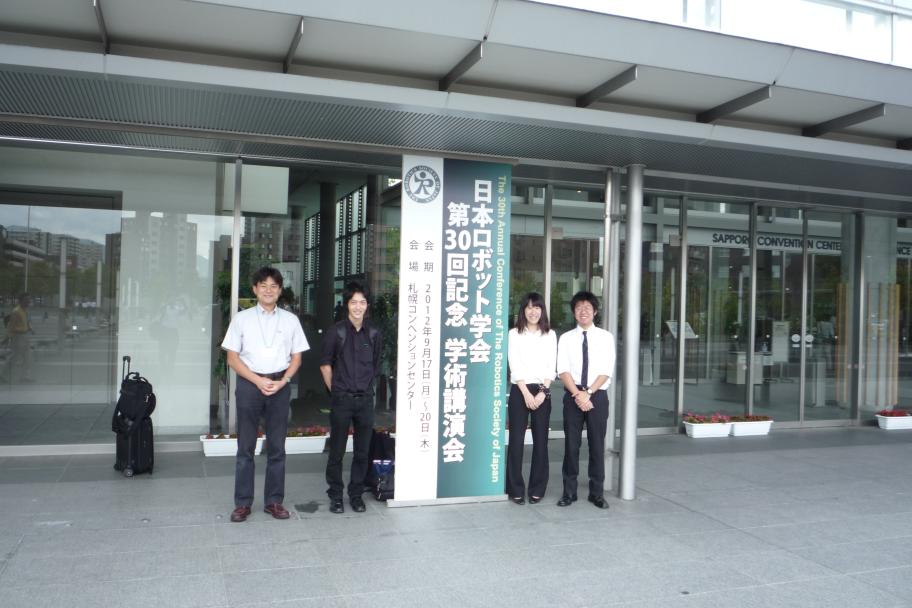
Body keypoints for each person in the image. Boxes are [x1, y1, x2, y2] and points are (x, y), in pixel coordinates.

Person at [221, 267, 308, 523]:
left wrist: (283, 382)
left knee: (277, 447)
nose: (268, 290)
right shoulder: (241, 319)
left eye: (273, 286)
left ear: (280, 291)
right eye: (263, 285)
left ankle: (274, 501)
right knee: (245, 447)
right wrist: (258, 380)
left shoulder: (290, 320)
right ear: (255, 289)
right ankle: (242, 503)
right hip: (250, 385)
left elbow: (297, 358)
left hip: (280, 386)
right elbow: (232, 359)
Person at [320, 282, 382, 514]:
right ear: (347, 304)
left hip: (365, 400)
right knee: (336, 451)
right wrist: (336, 391)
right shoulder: (336, 332)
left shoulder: (374, 334)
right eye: (354, 302)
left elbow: (375, 365)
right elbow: (325, 365)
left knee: (362, 452)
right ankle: (335, 495)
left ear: (367, 305)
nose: (358, 307)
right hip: (342, 399)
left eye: (362, 302)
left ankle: (356, 495)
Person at [556, 290, 616, 510]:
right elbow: (562, 370)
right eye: (579, 307)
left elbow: (606, 370)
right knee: (571, 445)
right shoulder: (566, 338)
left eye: (588, 308)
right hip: (573, 395)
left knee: (597, 445)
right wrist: (578, 394)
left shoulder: (606, 337)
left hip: (596, 396)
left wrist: (588, 393)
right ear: (574, 312)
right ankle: (569, 492)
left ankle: (596, 493)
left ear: (595, 312)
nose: (583, 311)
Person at [506, 292, 557, 505]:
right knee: (516, 441)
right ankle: (515, 488)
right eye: (528, 307)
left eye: (537, 307)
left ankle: (537, 488)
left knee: (541, 442)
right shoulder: (514, 334)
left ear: (542, 310)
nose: (533, 311)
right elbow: (514, 364)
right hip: (520, 390)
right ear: (523, 311)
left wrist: (542, 393)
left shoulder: (550, 335)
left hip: (542, 391)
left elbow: (551, 365)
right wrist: (526, 393)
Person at [8, 293, 34, 382]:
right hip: (18, 336)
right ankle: (4, 375)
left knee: (27, 357)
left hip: (25, 336)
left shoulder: (25, 311)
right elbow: (11, 326)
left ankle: (25, 376)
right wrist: (10, 337)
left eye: (29, 299)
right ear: (21, 301)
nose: (29, 301)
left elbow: (26, 322)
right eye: (27, 299)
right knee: (15, 356)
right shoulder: (16, 311)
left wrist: (30, 328)